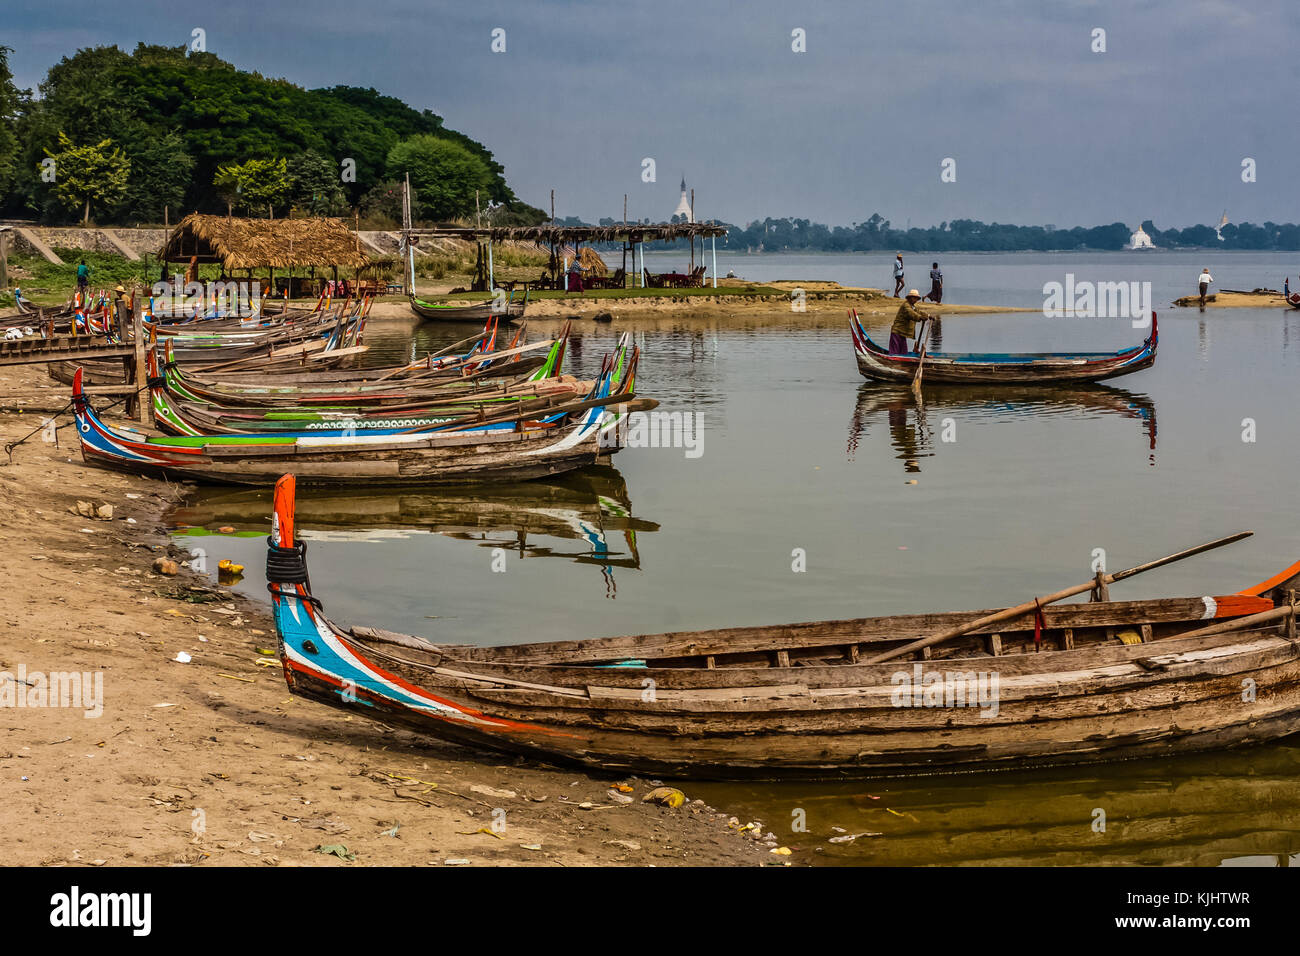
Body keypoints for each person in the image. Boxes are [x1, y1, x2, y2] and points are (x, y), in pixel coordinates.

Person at [889, 289, 927, 354]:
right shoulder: (906, 305)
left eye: (916, 298)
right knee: (894, 353)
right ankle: (894, 363)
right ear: (909, 298)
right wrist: (920, 317)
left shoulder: (913, 307)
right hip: (897, 332)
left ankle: (902, 363)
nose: (915, 300)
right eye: (914, 298)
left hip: (903, 333)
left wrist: (928, 316)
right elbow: (911, 313)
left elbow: (918, 312)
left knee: (903, 353)